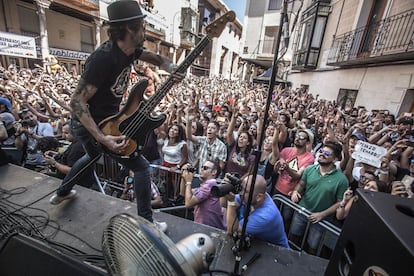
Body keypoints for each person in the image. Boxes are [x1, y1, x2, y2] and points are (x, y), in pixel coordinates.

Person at [48, 0, 182, 230]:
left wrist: (172, 67)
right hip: (91, 123)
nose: (145, 31)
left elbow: (159, 59)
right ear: (130, 29)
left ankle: (62, 192)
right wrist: (102, 137)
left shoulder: (131, 51)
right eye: (142, 25)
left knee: (90, 157)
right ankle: (147, 223)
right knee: (141, 167)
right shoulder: (103, 58)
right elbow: (77, 102)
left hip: (109, 121)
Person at [290, 142, 348, 254]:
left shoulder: (341, 180)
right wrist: (295, 192)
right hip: (302, 211)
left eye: (327, 153)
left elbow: (339, 202)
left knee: (313, 246)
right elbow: (301, 184)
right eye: (321, 151)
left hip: (322, 220)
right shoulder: (309, 169)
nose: (322, 154)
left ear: (335, 159)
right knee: (293, 237)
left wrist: (322, 214)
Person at [224, 174, 289, 248]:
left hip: (276, 251)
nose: (241, 193)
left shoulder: (266, 215)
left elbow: (232, 231)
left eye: (245, 191)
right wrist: (226, 189)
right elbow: (223, 204)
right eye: (242, 188)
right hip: (258, 243)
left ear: (259, 197)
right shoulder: (253, 196)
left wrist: (231, 201)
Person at [181, 160, 225, 230]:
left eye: (205, 168)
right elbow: (183, 193)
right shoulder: (205, 186)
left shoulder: (211, 184)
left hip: (209, 229)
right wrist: (184, 177)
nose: (201, 169)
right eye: (201, 167)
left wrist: (189, 181)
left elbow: (188, 204)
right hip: (203, 227)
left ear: (214, 172)